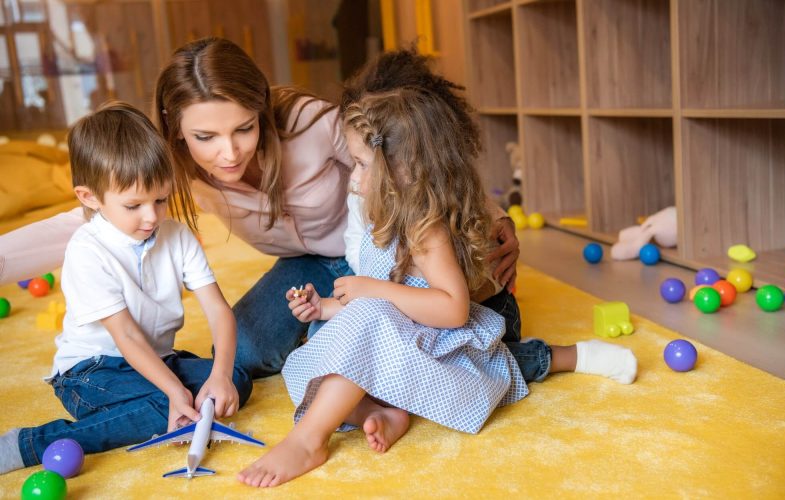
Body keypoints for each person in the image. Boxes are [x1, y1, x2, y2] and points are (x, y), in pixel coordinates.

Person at [0, 38, 522, 380]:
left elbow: (412, 163)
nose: (228, 154)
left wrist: (494, 217)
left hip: (385, 258)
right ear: (177, 129)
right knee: (243, 357)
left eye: (244, 128)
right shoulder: (170, 167)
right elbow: (87, 222)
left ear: (261, 112)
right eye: (205, 136)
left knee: (351, 351)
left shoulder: (313, 125)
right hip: (306, 267)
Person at [239, 86, 638, 488]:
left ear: (404, 170)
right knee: (320, 355)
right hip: (402, 334)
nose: (353, 176)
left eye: (360, 164)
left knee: (503, 370)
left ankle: (309, 439)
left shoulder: (425, 229)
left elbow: (452, 310)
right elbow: (376, 313)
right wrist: (323, 308)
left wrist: (371, 291)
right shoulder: (383, 215)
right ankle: (387, 413)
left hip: (442, 340)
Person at [0, 102, 251, 475]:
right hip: (89, 373)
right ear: (90, 198)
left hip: (153, 360)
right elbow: (127, 336)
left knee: (236, 380)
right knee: (158, 406)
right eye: (133, 205)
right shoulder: (87, 250)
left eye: (160, 199)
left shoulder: (177, 236)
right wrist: (175, 393)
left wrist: (220, 373)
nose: (151, 217)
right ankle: (29, 443)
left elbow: (217, 309)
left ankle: (166, 395)